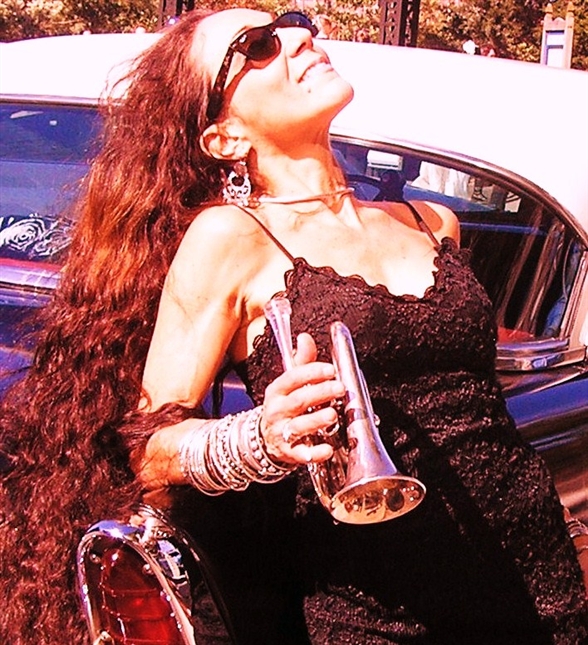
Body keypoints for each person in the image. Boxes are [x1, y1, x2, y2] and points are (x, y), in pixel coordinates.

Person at [0, 8, 587, 645]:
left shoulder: (431, 221)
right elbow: (147, 447)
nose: (298, 37)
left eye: (292, 21)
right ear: (224, 137)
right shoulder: (231, 238)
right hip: (380, 606)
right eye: (256, 46)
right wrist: (259, 436)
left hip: (535, 573)